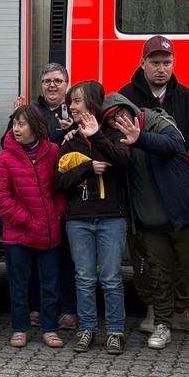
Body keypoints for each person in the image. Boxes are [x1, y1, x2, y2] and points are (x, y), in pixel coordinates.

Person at [106, 92, 189, 353]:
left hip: (184, 215)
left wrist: (141, 139)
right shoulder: (115, 138)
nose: (118, 120)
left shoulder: (157, 121)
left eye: (121, 113)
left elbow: (174, 145)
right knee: (158, 275)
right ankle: (162, 324)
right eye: (111, 119)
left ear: (131, 109)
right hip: (150, 221)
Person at [119, 35, 189, 337]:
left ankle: (183, 311)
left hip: (177, 196)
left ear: (173, 64)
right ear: (142, 63)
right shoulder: (125, 98)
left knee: (185, 254)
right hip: (143, 195)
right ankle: (154, 311)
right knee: (147, 256)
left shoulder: (186, 98)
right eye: (155, 62)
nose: (161, 68)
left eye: (166, 62)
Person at [55, 82, 131, 354]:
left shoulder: (113, 134)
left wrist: (97, 135)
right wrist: (87, 168)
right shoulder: (69, 140)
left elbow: (123, 162)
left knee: (111, 278)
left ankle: (115, 331)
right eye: (71, 102)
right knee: (84, 278)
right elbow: (59, 182)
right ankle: (87, 329)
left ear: (93, 102)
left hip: (111, 218)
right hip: (78, 219)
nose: (72, 106)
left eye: (77, 101)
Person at [0, 105, 67, 349]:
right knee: (19, 285)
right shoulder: (3, 159)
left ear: (35, 126)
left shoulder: (53, 152)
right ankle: (20, 328)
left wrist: (56, 214)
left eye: (21, 124)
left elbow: (61, 188)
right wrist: (30, 222)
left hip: (50, 233)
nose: (16, 129)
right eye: (14, 124)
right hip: (18, 234)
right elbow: (0, 198)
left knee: (50, 284)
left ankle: (50, 329)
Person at [9, 62, 79, 331]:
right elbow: (10, 144)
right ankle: (36, 308)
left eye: (58, 81)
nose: (52, 85)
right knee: (37, 261)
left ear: (66, 84)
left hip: (65, 196)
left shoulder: (76, 111)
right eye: (47, 81)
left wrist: (73, 128)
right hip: (33, 198)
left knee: (66, 258)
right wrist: (14, 118)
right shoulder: (31, 112)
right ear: (41, 85)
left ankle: (68, 309)